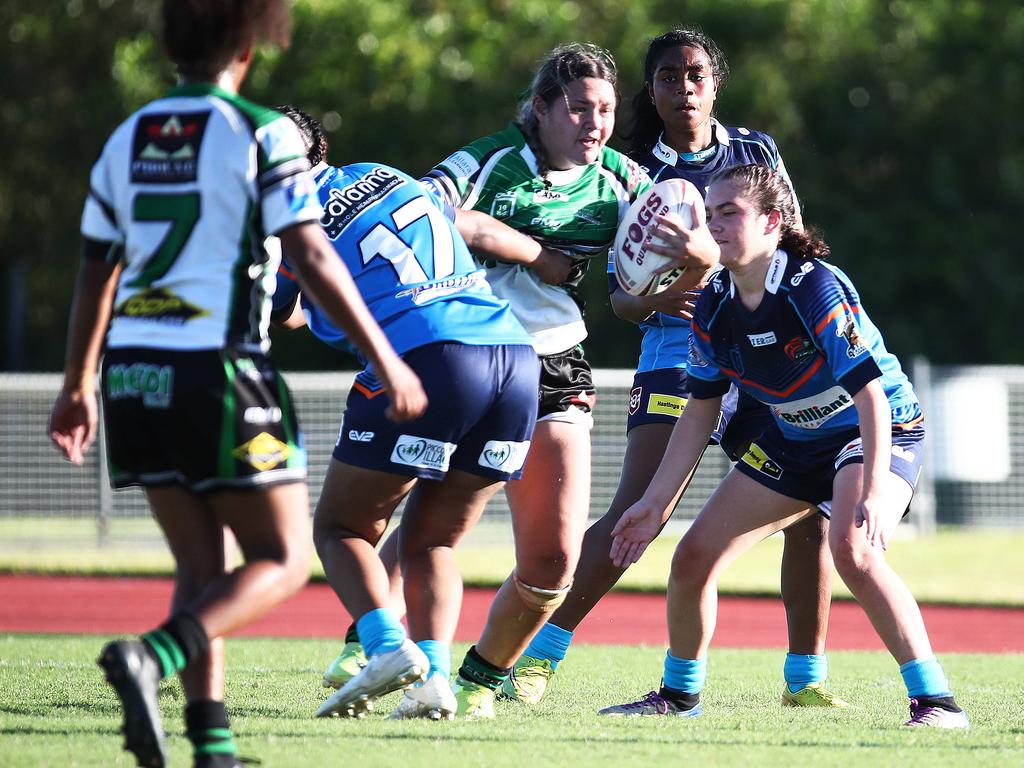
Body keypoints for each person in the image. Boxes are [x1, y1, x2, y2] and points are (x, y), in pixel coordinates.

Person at [47, 4, 426, 767]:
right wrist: (385, 356)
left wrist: (77, 382)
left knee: (200, 568)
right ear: (247, 50)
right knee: (284, 558)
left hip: (132, 369)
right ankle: (154, 656)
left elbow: (96, 270)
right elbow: (313, 258)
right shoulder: (263, 131)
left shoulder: (128, 138)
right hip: (216, 366)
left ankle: (211, 745)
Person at [505, 26, 845, 710]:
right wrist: (662, 293)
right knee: (640, 511)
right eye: (667, 77)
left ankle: (805, 681)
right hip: (677, 352)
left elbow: (792, 251)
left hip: (767, 350)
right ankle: (535, 660)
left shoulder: (755, 152)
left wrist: (708, 258)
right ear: (650, 89)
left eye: (694, 75)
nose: (682, 88)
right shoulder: (629, 169)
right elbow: (624, 304)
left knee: (810, 513)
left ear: (714, 84)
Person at [597, 164, 969, 728]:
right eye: (709, 213)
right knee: (693, 556)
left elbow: (870, 396)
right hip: (795, 441)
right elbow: (699, 412)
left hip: (871, 430)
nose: (714, 225)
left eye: (730, 213)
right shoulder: (711, 302)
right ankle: (678, 698)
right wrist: (654, 504)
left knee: (854, 551)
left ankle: (937, 702)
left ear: (772, 222)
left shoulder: (812, 285)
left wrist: (872, 490)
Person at [267, 108, 549, 721]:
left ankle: (385, 647)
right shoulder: (386, 173)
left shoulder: (288, 212)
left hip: (429, 357)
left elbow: (277, 308)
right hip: (513, 358)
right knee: (431, 541)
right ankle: (435, 679)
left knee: (341, 530)